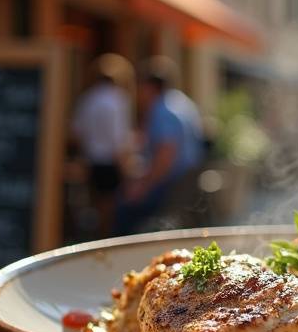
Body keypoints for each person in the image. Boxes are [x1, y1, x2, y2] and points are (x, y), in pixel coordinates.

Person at [115, 57, 204, 235]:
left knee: (123, 206)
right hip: (187, 184)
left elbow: (166, 155)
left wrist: (143, 186)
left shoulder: (163, 110)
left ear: (149, 87)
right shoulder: (182, 102)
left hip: (172, 188)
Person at [72, 54, 133, 237]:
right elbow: (118, 137)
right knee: (110, 209)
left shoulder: (87, 99)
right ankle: (107, 240)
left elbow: (77, 131)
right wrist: (125, 166)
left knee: (97, 206)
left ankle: (99, 237)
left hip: (92, 160)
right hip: (110, 162)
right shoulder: (118, 99)